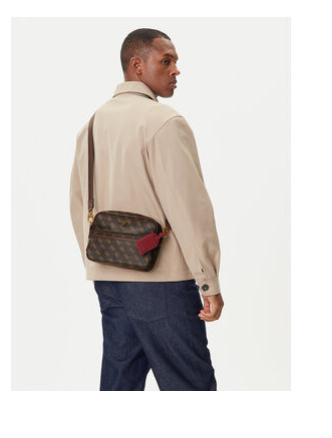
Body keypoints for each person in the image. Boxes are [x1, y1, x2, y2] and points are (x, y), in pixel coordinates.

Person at [69, 28, 224, 391]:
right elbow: (189, 207)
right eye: (166, 61)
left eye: (175, 62)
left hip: (109, 277)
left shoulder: (92, 124)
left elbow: (78, 203)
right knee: (191, 385)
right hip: (162, 281)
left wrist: (99, 262)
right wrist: (208, 279)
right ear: (137, 66)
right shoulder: (164, 122)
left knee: (120, 384)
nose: (176, 70)